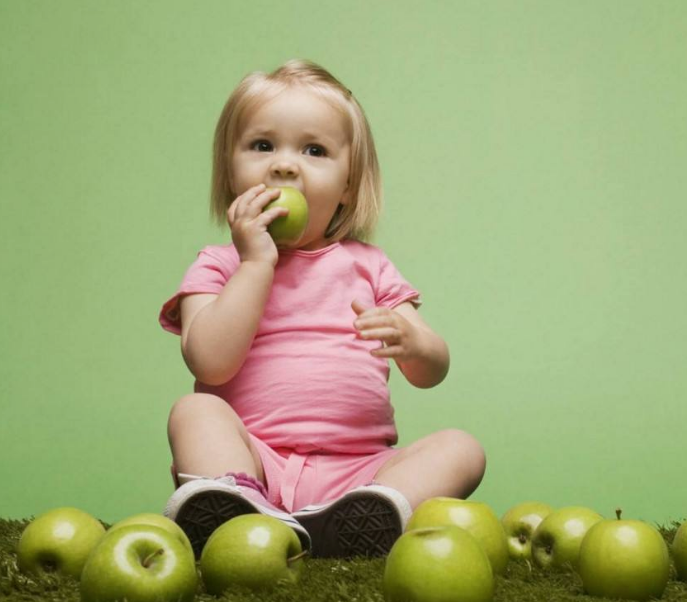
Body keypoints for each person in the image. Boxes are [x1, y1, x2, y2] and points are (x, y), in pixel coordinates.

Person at [158, 59, 485, 558]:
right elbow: (209, 362)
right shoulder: (219, 266)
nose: (285, 165)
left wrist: (413, 342)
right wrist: (255, 263)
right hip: (254, 462)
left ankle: (374, 511)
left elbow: (431, 371)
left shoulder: (369, 267)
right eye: (262, 145)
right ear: (230, 170)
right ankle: (236, 507)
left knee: (463, 449)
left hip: (362, 470)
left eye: (314, 150)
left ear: (348, 186)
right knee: (194, 410)